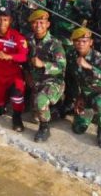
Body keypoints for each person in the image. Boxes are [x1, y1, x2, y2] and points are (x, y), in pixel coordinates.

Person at [45, 0, 91, 115]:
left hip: (71, 40)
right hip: (55, 38)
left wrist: (75, 1)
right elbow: (48, 11)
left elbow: (88, 13)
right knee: (57, 71)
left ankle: (71, 103)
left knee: (72, 72)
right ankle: (56, 102)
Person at [70, 28, 101, 148]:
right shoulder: (72, 56)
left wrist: (89, 67)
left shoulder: (99, 58)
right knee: (78, 129)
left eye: (84, 41)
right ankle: (91, 114)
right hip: (86, 95)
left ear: (90, 42)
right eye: (77, 41)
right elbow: (73, 80)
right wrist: (78, 98)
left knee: (100, 102)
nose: (80, 44)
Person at [27, 10, 66, 143]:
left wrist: (43, 64)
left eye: (41, 22)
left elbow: (61, 67)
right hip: (35, 82)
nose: (38, 25)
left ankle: (44, 128)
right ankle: (55, 109)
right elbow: (25, 61)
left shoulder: (55, 44)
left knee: (40, 102)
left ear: (48, 24)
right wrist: (27, 76)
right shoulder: (29, 40)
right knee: (34, 115)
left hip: (53, 81)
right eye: (35, 22)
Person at [0, 6, 28, 132]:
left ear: (10, 20)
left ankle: (17, 116)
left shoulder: (17, 37)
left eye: (5, 19)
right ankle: (2, 102)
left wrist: (9, 56)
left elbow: (23, 57)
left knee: (17, 95)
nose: (2, 22)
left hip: (12, 76)